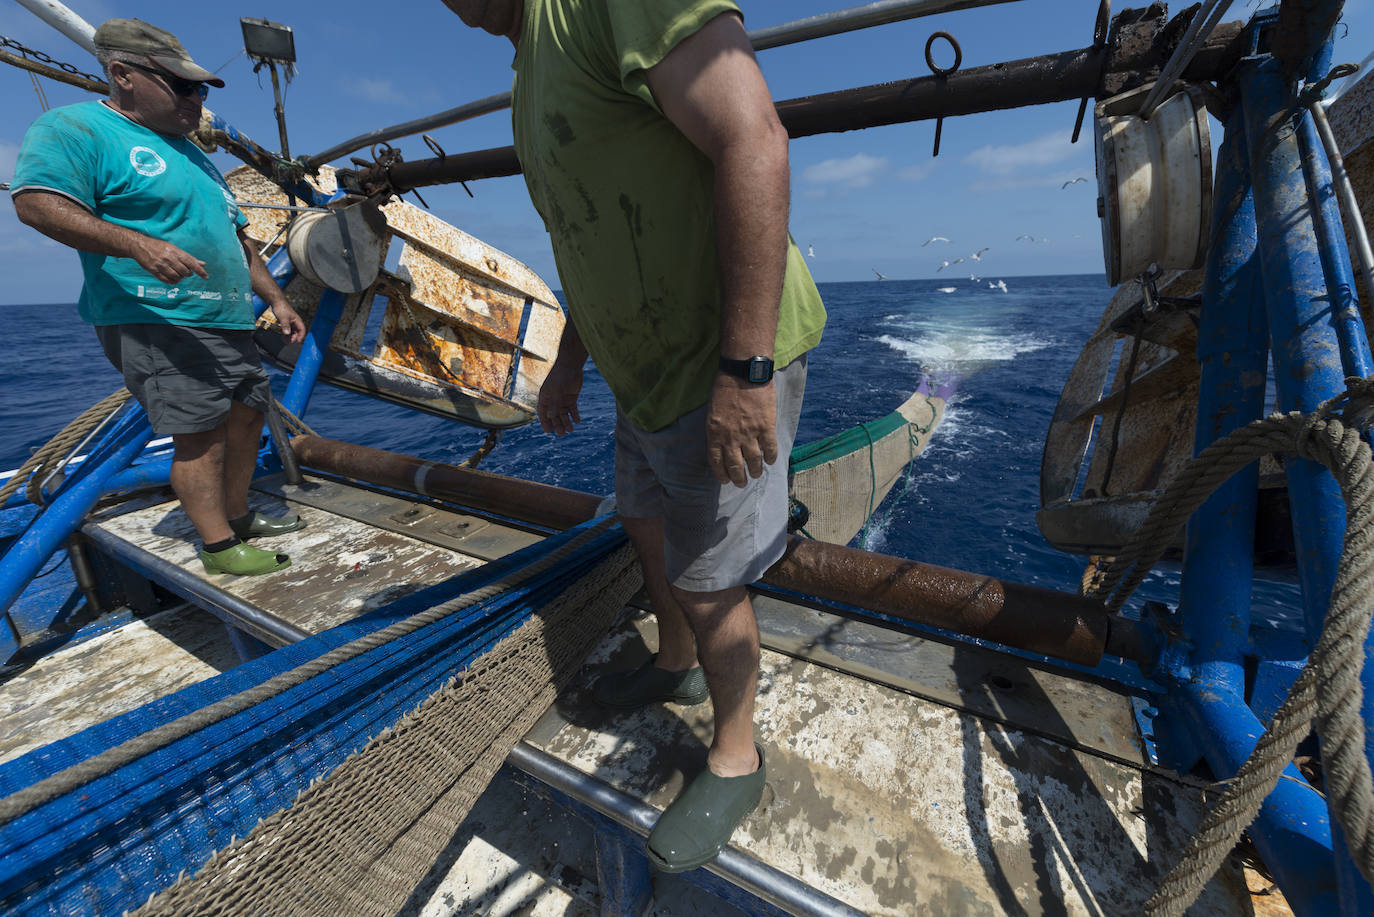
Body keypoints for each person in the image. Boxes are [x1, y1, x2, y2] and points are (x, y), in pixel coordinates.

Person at [444, 0, 827, 872]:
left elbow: (755, 138)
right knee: (645, 526)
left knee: (710, 576)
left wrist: (746, 372)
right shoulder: (525, 71)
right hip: (641, 373)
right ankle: (675, 660)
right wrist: (570, 361)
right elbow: (589, 233)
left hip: (716, 360)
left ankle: (737, 754)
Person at [10, 18, 308, 577]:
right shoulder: (77, 127)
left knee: (248, 416)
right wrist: (136, 244)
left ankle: (238, 514)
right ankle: (219, 547)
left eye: (202, 90)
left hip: (226, 318)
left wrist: (277, 300)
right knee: (201, 435)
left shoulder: (194, 155)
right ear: (122, 74)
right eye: (183, 86)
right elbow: (36, 203)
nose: (197, 99)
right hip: (158, 315)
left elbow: (238, 240)